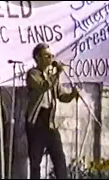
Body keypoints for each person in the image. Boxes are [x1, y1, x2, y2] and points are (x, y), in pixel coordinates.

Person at [25, 43, 79, 179]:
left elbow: (61, 96)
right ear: (38, 58)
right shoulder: (32, 74)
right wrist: (58, 73)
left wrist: (72, 94)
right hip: (37, 122)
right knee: (35, 161)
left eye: (51, 56)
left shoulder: (52, 76)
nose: (50, 58)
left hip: (50, 122)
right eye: (47, 56)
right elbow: (43, 86)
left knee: (59, 159)